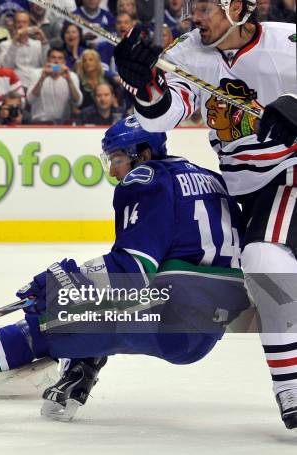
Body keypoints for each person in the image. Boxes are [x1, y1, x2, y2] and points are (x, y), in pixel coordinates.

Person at [0, 115, 250, 422]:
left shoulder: (145, 180)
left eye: (117, 159)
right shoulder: (211, 178)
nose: (114, 171)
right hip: (210, 324)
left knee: (51, 322)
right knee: (97, 302)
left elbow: (132, 271)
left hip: (174, 322)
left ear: (143, 155)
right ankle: (83, 365)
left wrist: (63, 283)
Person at [113, 0, 297, 429]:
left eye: (203, 8)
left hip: (289, 177)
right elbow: (165, 115)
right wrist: (145, 86)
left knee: (264, 260)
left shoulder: (288, 44)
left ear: (236, 7)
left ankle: (290, 387)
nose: (193, 18)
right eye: (190, 8)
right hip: (241, 192)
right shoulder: (186, 53)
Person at [27, 47, 82, 124]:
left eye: (60, 58)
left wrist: (69, 81)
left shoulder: (72, 76)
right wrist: (42, 78)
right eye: (53, 57)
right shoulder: (36, 73)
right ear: (47, 60)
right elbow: (30, 99)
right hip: (40, 121)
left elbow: (78, 102)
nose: (56, 61)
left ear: (64, 62)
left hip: (63, 123)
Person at [1, 10, 48, 90]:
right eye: (18, 22)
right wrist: (14, 43)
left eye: (24, 22)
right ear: (14, 24)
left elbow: (47, 65)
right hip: (17, 86)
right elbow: (7, 68)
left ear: (29, 25)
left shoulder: (37, 44)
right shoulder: (5, 45)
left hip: (37, 85)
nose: (21, 25)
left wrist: (44, 41)